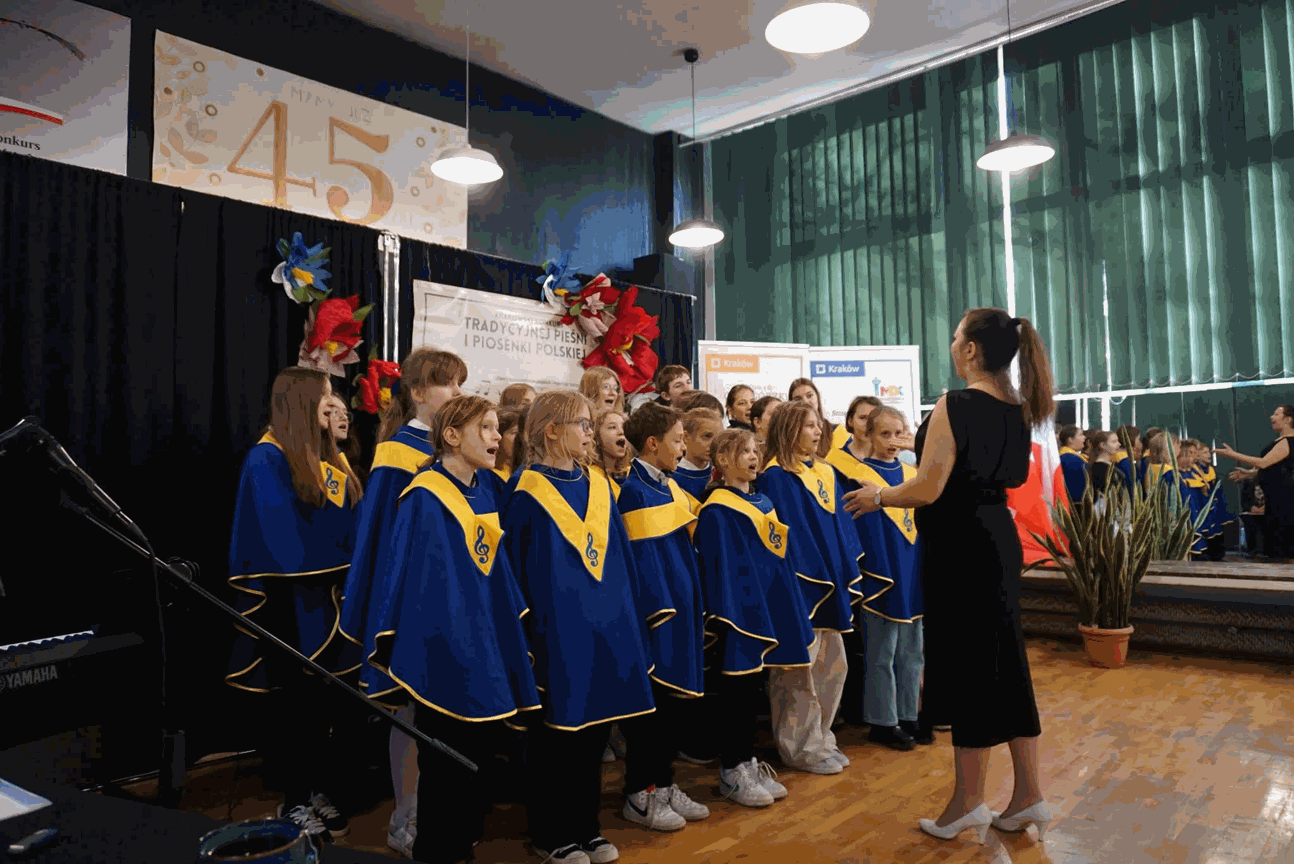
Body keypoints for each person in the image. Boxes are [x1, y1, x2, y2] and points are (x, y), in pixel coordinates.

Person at [844, 307, 1056, 845]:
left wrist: (879, 496)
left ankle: (967, 802)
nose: (953, 344)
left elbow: (928, 487)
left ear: (970, 350)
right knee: (1007, 664)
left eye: (957, 337)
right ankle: (1028, 793)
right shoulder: (1018, 405)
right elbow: (990, 472)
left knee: (969, 669)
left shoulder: (955, 404)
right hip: (997, 540)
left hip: (961, 546)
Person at [366, 395, 540, 864]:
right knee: (443, 767)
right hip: (442, 649)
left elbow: (492, 573)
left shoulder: (482, 490)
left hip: (482, 643)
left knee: (473, 765)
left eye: (497, 428)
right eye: (485, 428)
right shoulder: (425, 494)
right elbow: (419, 587)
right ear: (451, 436)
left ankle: (459, 848)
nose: (497, 437)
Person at [503, 390, 669, 864]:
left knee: (595, 732)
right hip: (556, 630)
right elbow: (515, 569)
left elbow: (621, 559)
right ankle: (550, 832)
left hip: (609, 625)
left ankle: (586, 828)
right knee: (558, 736)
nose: (589, 432)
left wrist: (632, 621)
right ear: (552, 429)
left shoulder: (597, 483)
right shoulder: (524, 489)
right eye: (581, 423)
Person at [226, 367, 364, 843]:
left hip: (329, 602)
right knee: (298, 708)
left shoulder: (323, 456)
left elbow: (346, 521)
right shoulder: (267, 457)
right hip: (290, 606)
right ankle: (295, 800)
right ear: (303, 401)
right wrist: (345, 559)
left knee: (326, 709)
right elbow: (281, 541)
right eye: (324, 396)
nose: (333, 403)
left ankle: (316, 790)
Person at [338, 348, 467, 856]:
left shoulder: (457, 448)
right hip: (412, 603)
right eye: (447, 384)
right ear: (417, 392)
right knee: (409, 710)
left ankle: (446, 813)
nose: (457, 394)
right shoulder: (398, 453)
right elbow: (383, 540)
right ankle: (406, 815)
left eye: (460, 384)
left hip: (455, 600)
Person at [693, 428, 814, 807]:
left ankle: (747, 762)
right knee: (736, 694)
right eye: (743, 451)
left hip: (766, 609)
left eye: (754, 450)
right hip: (737, 617)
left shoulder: (763, 502)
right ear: (722, 460)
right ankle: (732, 770)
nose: (753, 457)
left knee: (754, 691)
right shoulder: (717, 509)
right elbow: (720, 570)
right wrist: (732, 614)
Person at [616, 403, 711, 832]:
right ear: (653, 444)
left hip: (682, 611)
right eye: (676, 440)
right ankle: (640, 792)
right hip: (658, 617)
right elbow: (644, 566)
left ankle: (665, 783)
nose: (683, 448)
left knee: (673, 710)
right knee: (651, 712)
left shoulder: (669, 486)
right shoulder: (633, 491)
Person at [759, 401, 862, 775]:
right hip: (800, 586)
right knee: (797, 670)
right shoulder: (774, 476)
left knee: (833, 667)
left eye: (819, 425)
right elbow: (788, 537)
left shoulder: (824, 471)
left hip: (830, 583)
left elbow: (839, 527)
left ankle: (821, 738)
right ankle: (799, 747)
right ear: (788, 430)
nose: (818, 432)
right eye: (809, 426)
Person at [827, 405, 926, 753]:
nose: (893, 440)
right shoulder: (856, 476)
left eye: (898, 433)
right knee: (881, 651)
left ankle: (909, 713)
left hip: (911, 570)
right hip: (880, 573)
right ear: (868, 435)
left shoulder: (914, 473)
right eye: (884, 434)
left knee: (912, 650)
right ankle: (883, 721)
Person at [1215, 405, 1294, 561]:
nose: (1272, 417)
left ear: (1288, 419)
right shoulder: (1281, 440)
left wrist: (1232, 454)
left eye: (1276, 414)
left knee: (1284, 543)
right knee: (1276, 541)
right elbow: (1275, 466)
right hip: (1276, 499)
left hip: (1285, 500)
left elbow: (1264, 463)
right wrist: (1251, 473)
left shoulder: (1289, 441)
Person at [674, 408, 722, 506]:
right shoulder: (671, 477)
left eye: (718, 438)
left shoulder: (723, 473)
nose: (714, 444)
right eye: (707, 436)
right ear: (686, 437)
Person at [789, 378, 842, 457]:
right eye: (798, 399)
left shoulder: (837, 431)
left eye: (809, 396)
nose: (805, 401)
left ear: (817, 396)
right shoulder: (788, 437)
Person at [587, 408, 631, 497]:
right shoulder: (589, 476)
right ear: (597, 437)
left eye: (624, 427)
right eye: (612, 427)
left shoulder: (632, 473)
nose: (621, 432)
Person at [325, 394, 366, 488]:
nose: (344, 417)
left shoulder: (355, 469)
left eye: (345, 413)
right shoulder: (311, 461)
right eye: (335, 411)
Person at [1083, 430, 1122, 498]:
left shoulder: (1112, 464)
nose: (1119, 444)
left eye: (1118, 441)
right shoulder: (1099, 468)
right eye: (1114, 442)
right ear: (1102, 445)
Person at [1056, 426, 1088, 504]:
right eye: (1081, 434)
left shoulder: (1071, 457)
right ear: (1070, 439)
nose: (1084, 437)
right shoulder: (1070, 459)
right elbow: (1076, 489)